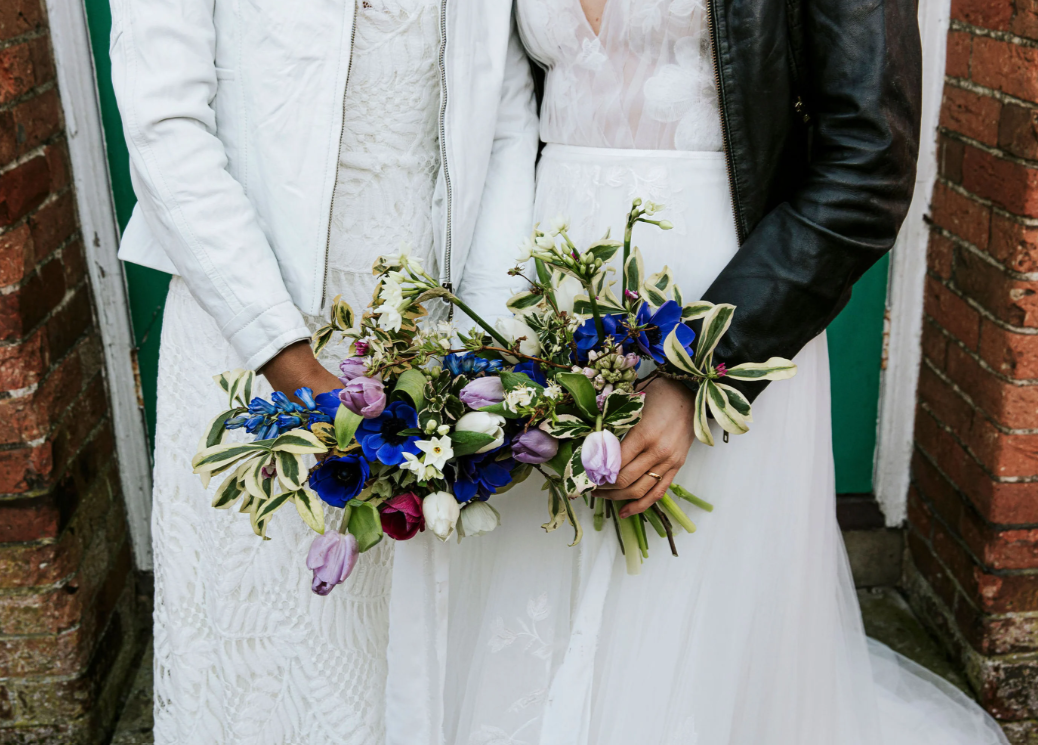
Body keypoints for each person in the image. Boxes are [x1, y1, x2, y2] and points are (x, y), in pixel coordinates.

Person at [433, 0, 1011, 743]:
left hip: (727, 301)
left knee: (685, 624)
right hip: (550, 309)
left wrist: (697, 374)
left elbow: (868, 162)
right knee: (541, 595)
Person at [107, 0, 537, 741]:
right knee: (270, 653)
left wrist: (478, 355)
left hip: (423, 347)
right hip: (248, 334)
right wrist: (288, 358)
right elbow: (163, 121)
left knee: (411, 643)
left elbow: (503, 121)